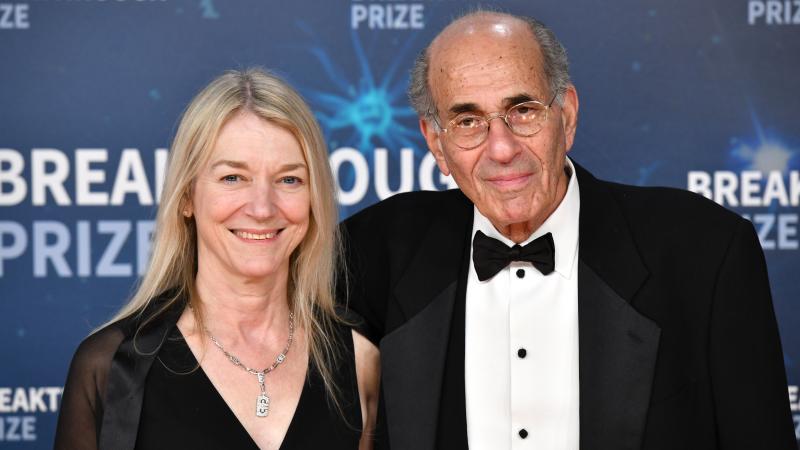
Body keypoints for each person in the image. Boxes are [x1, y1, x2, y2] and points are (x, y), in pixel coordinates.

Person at [340, 11, 795, 450]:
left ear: (568, 115)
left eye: (522, 110)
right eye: (467, 121)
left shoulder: (705, 253)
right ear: (436, 144)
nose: (501, 148)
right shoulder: (378, 249)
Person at [55, 68, 379, 450]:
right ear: (187, 197)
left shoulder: (360, 360)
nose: (262, 207)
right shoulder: (113, 367)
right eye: (232, 178)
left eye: (289, 180)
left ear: (314, 199)